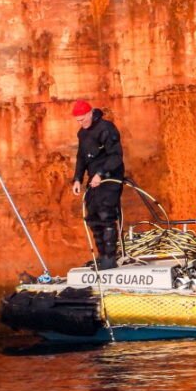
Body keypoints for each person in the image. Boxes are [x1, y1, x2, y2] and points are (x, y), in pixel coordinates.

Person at [71, 99, 125, 270]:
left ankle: (110, 258)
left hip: (109, 178)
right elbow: (81, 158)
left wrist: (101, 174)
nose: (81, 123)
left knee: (105, 214)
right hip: (93, 181)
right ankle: (102, 257)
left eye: (83, 119)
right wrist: (77, 179)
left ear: (90, 113)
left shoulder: (106, 129)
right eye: (78, 120)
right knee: (93, 217)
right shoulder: (82, 134)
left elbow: (116, 155)